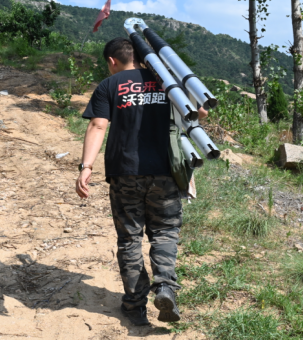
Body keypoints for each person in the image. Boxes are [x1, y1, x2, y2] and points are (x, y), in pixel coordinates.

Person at [75, 37, 206, 326]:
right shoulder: (166, 81)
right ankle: (165, 286)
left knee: (129, 238)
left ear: (112, 61)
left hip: (124, 172)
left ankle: (135, 307)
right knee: (165, 232)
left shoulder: (110, 85)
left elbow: (98, 124)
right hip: (166, 172)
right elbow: (201, 111)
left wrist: (86, 167)